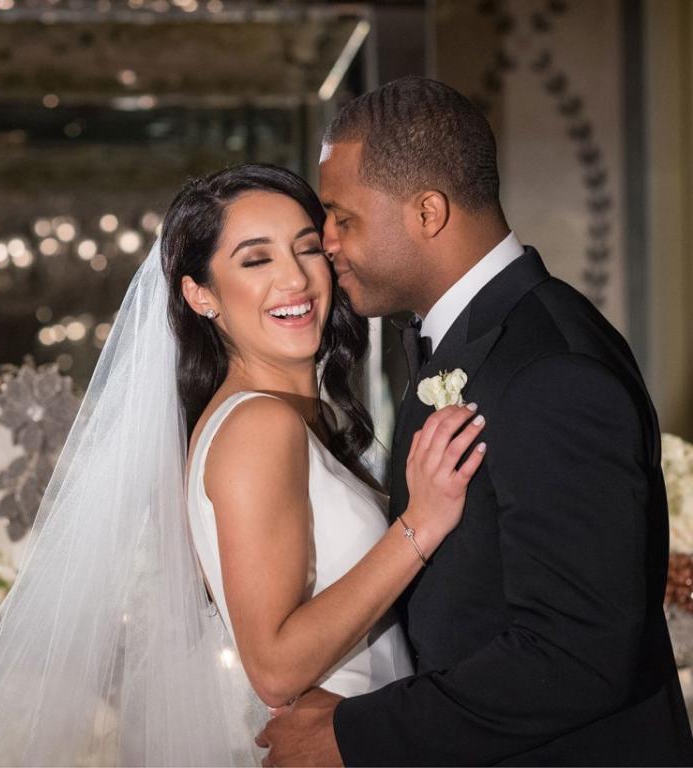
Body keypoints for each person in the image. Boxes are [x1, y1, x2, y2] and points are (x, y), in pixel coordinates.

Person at [0, 163, 485, 767]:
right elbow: (273, 666)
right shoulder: (257, 426)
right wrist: (421, 525)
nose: (294, 278)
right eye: (255, 260)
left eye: (307, 248)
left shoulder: (276, 417)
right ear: (200, 294)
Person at [255, 75, 693, 766]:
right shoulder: (472, 340)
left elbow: (574, 655)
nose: (327, 245)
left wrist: (353, 734)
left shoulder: (552, 370)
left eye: (343, 218)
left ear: (428, 212)